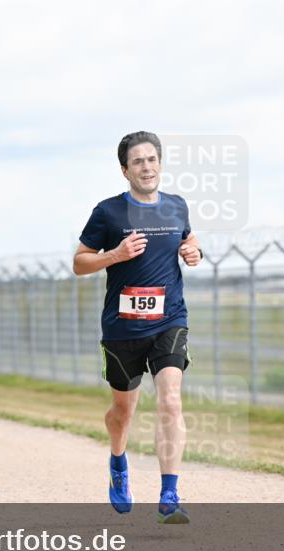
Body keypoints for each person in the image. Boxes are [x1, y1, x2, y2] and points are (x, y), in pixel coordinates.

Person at [72, 131, 202, 524]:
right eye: (138, 162)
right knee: (123, 411)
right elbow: (80, 262)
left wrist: (194, 251)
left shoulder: (176, 206)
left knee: (171, 400)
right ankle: (117, 461)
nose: (147, 167)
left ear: (160, 164)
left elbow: (189, 239)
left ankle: (169, 494)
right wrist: (115, 254)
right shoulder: (108, 212)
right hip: (122, 329)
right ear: (124, 169)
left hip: (169, 320)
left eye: (152, 159)